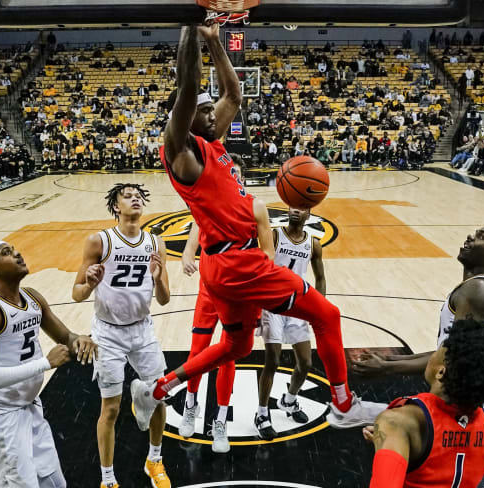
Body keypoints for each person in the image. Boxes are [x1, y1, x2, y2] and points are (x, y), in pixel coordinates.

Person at [131, 23, 362, 434]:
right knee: (327, 315)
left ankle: (158, 389)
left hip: (225, 267)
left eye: (209, 109)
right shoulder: (182, 152)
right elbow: (187, 86)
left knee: (236, 346)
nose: (211, 112)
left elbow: (234, 95)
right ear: (184, 117)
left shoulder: (212, 143)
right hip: (237, 262)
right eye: (202, 110)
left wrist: (216, 42)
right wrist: (189, 28)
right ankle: (344, 403)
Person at [353, 218, 484, 434]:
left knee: (399, 435)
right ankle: (360, 413)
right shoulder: (476, 286)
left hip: (471, 409)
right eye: (475, 232)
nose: (471, 237)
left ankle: (359, 413)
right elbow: (446, 350)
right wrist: (388, 360)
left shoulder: (478, 291)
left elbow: (456, 357)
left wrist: (387, 368)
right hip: (466, 402)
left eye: (481, 237)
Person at [0, 240, 97, 488]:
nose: (17, 253)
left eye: (15, 249)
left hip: (28, 407)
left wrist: (80, 340)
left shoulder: (32, 297)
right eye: (7, 252)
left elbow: (66, 338)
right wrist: (44, 364)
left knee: (55, 483)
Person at [72, 183, 171, 488]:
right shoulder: (99, 242)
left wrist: (157, 279)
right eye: (127, 196)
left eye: (138, 195)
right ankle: (107, 479)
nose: (135, 198)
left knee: (159, 397)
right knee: (110, 408)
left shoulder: (156, 243)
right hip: (108, 334)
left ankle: (154, 460)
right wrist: (89, 283)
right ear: (116, 207)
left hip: (143, 330)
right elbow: (76, 294)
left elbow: (165, 299)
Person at [179, 157, 275, 453]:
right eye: (229, 173)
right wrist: (188, 252)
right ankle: (190, 403)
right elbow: (198, 226)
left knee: (228, 355)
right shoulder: (211, 201)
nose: (233, 177)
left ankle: (220, 422)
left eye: (237, 174)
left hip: (240, 292)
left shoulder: (256, 206)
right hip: (210, 285)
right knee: (198, 350)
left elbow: (268, 254)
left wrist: (257, 296)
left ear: (241, 179)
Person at [363, 319, 484, 488]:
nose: (432, 353)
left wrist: (390, 440)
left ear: (441, 372)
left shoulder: (397, 422)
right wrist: (397, 444)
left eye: (438, 350)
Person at [255, 207, 326, 439]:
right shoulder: (275, 236)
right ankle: (262, 413)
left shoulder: (314, 244)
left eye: (302, 208)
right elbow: (258, 271)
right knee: (272, 361)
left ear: (309, 214)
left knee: (305, 363)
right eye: (292, 206)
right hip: (273, 305)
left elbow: (320, 277)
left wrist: (320, 308)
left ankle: (289, 400)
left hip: (299, 306)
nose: (296, 210)